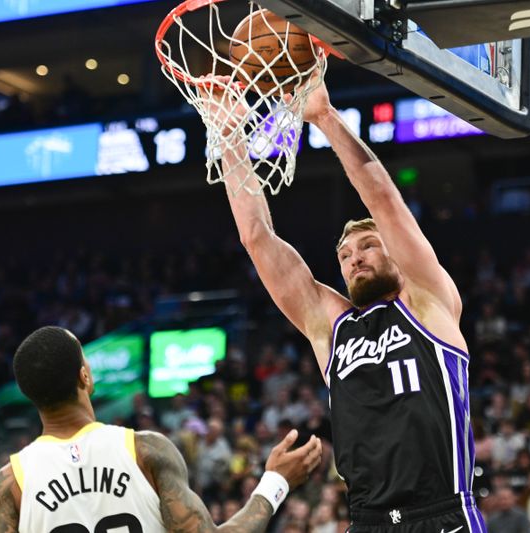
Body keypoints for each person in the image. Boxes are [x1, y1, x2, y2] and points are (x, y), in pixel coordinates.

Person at [205, 74, 485, 531]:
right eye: (345, 255)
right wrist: (231, 135)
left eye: (368, 246)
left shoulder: (428, 300)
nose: (355, 258)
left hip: (441, 516)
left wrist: (324, 117)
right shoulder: (332, 326)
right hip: (366, 521)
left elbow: (384, 201)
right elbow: (257, 238)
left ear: (395, 249)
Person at [0, 326, 322, 532]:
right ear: (85, 377)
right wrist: (276, 482)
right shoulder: (145, 450)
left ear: (31, 396)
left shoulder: (8, 484)